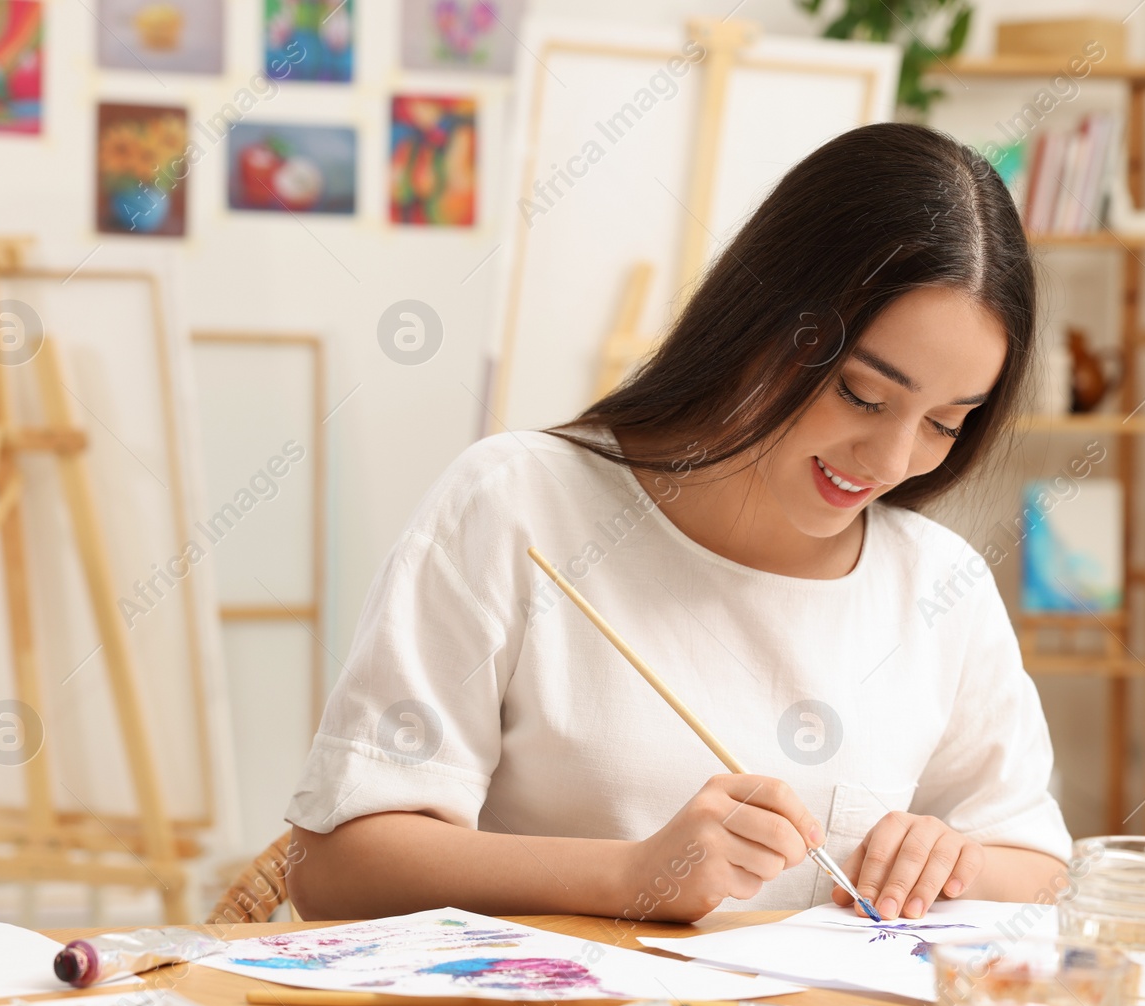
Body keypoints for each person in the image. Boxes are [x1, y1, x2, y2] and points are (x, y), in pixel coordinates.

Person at [286, 122, 1070, 923]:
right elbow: (334, 867)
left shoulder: (941, 585)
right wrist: (631, 875)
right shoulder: (518, 504)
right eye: (862, 396)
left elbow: (1039, 867)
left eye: (945, 422)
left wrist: (952, 861)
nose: (892, 458)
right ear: (763, 316)